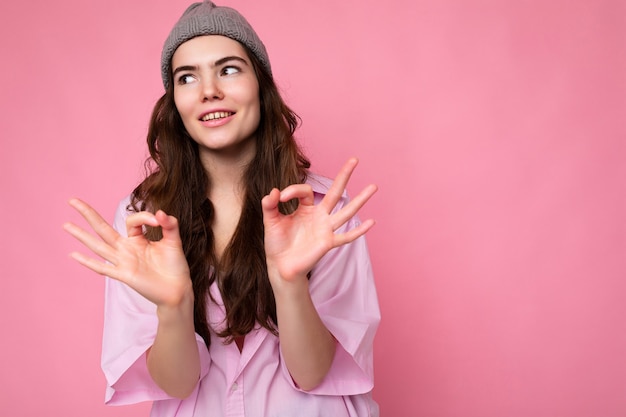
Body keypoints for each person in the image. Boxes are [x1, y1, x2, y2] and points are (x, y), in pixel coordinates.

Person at [64, 1, 380, 416]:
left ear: (261, 87)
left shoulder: (321, 212)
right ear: (174, 102)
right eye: (187, 77)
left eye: (228, 69)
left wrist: (289, 284)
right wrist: (173, 305)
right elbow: (177, 383)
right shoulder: (142, 221)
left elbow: (313, 373)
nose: (208, 90)